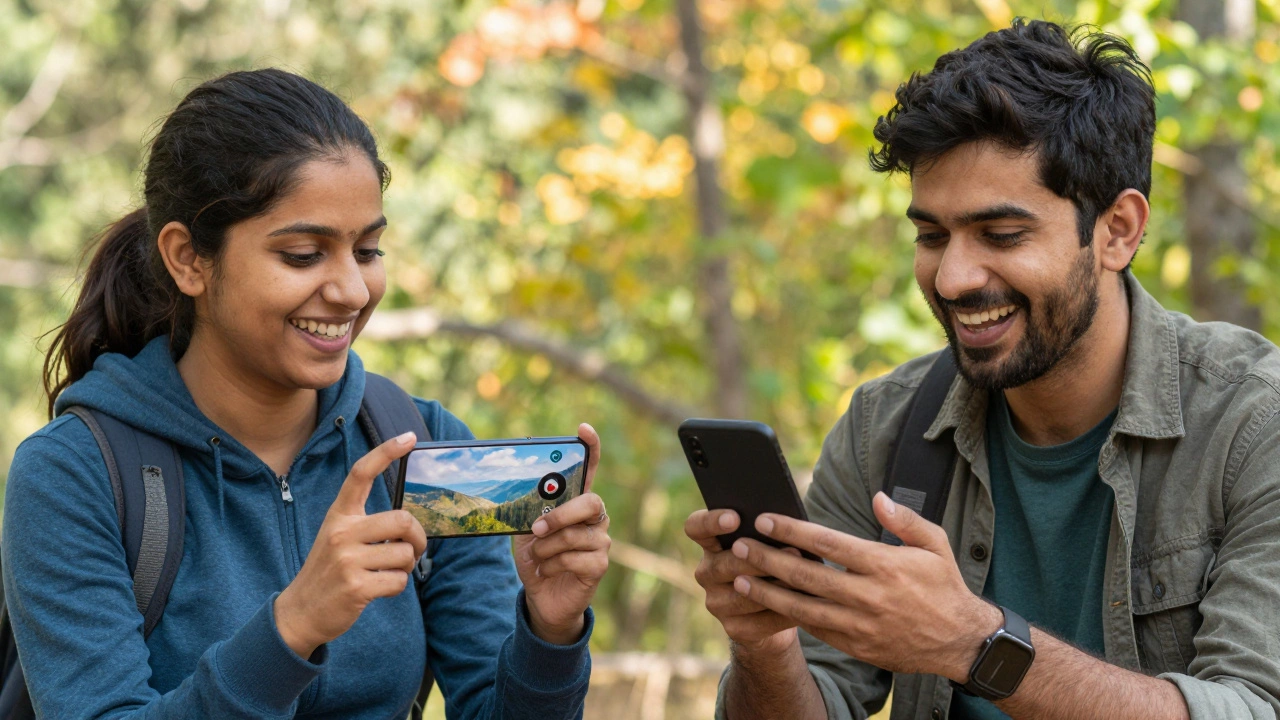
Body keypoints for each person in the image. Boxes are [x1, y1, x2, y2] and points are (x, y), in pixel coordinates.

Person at [686, 19, 1280, 720]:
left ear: (1117, 230)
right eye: (932, 236)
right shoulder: (885, 427)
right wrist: (766, 647)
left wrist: (974, 643)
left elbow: (1251, 707)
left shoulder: (1252, 423)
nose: (954, 278)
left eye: (1001, 235)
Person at [3, 68, 611, 719]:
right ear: (187, 259)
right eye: (302, 254)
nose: (352, 290)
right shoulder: (75, 474)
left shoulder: (420, 445)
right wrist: (292, 627)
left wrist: (549, 631)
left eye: (369, 249)